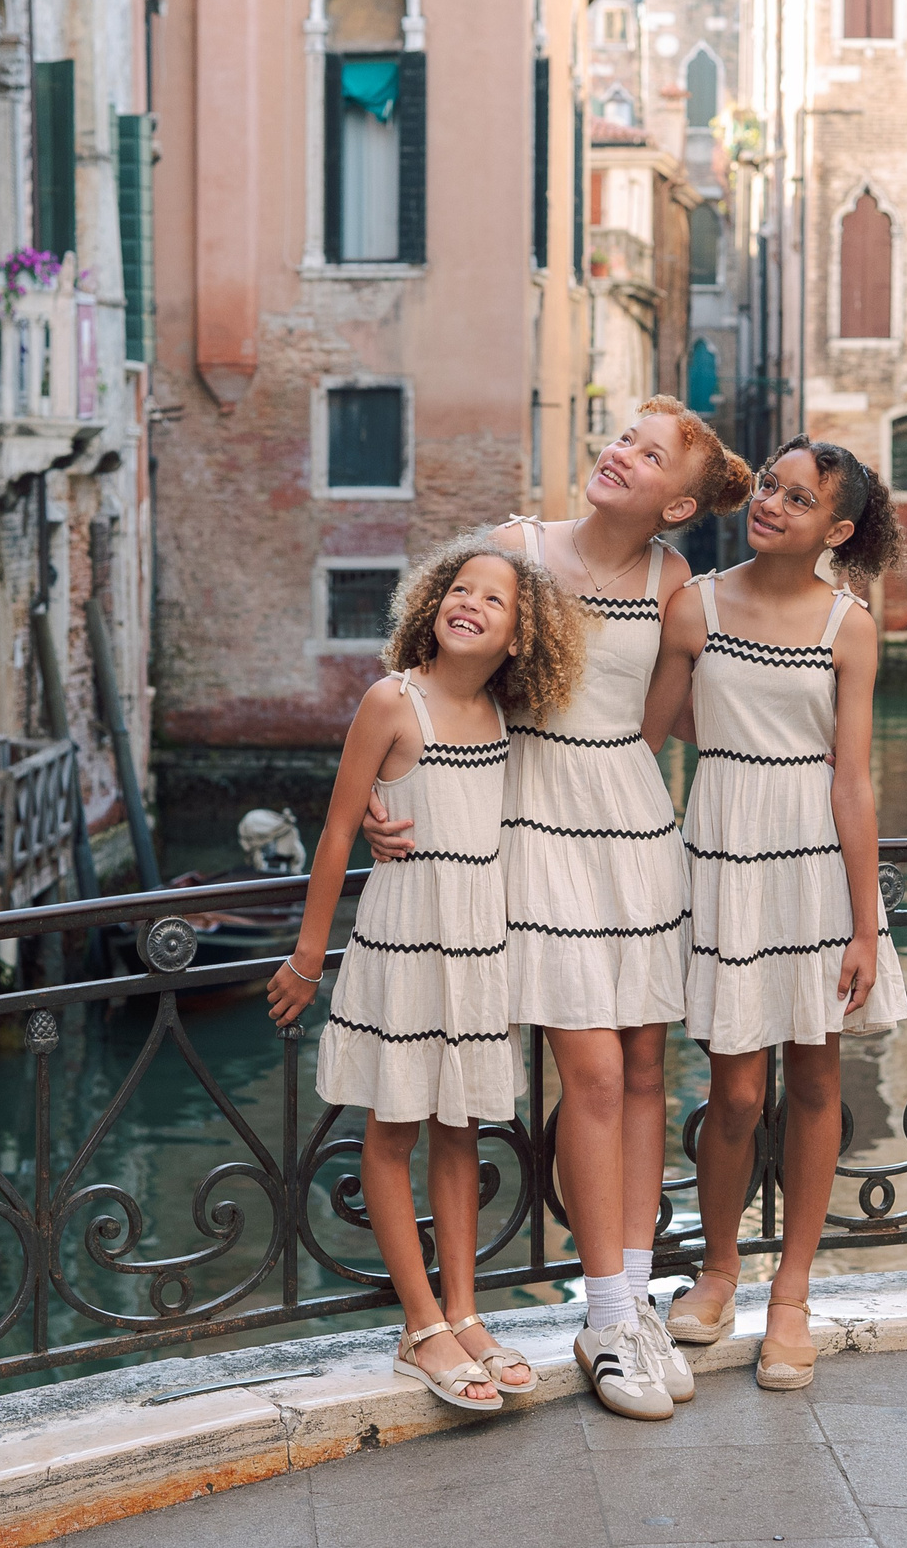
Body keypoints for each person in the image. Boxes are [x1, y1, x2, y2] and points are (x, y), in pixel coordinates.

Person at [365, 398, 751, 1421]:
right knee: (584, 1069)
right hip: (531, 826)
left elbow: (660, 725)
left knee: (640, 1070)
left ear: (676, 501)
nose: (618, 452)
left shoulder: (675, 584)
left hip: (633, 823)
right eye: (620, 435)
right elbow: (426, 673)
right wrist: (384, 795)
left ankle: (624, 1309)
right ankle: (605, 1308)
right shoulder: (514, 548)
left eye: (647, 451)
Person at [268, 531, 586, 1412]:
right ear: (431, 602)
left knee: (461, 1130)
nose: (470, 603)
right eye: (460, 587)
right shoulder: (390, 701)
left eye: (495, 600)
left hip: (477, 947)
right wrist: (306, 955)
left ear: (520, 639)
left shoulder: (504, 720)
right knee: (393, 1126)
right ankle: (420, 1325)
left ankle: (465, 1311)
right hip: (403, 941)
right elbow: (338, 831)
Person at [642, 437, 907, 1391]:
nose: (773, 504)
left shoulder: (851, 625)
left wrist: (865, 924)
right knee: (737, 1089)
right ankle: (719, 1270)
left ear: (836, 529)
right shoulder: (696, 604)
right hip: (724, 851)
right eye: (769, 485)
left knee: (817, 1079)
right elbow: (651, 729)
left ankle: (791, 1292)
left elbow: (853, 777)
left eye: (799, 499)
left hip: (816, 867)